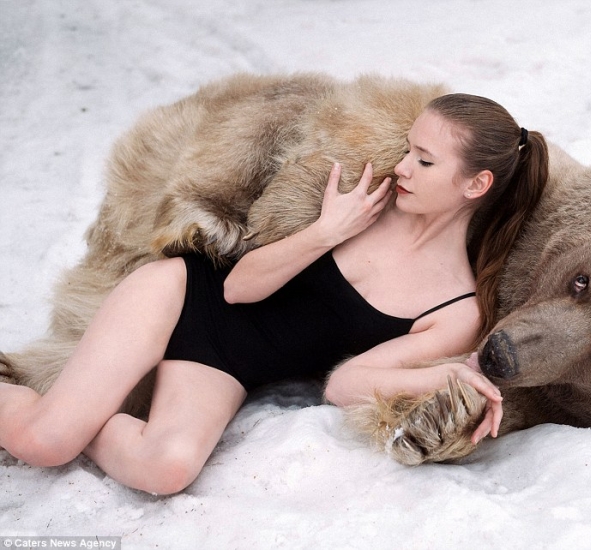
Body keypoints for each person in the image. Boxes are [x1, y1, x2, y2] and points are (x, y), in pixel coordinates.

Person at [0, 93, 549, 495]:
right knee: (46, 443)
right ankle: (60, 418)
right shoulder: (366, 199)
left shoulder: (455, 309)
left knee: (166, 469)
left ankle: (77, 415)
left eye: (424, 161)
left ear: (476, 184)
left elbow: (344, 385)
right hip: (182, 296)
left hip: (229, 363)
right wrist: (326, 232)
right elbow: (237, 288)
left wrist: (447, 377)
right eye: (409, 149)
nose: (403, 167)